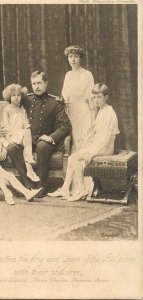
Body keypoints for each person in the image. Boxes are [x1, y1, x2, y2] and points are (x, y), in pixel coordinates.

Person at [48, 83, 120, 201]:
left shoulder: (109, 113)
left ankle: (82, 189)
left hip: (106, 148)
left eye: (99, 97)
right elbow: (96, 133)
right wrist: (86, 142)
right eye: (94, 97)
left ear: (106, 97)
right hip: (99, 145)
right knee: (74, 155)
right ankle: (65, 188)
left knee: (73, 158)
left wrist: (91, 153)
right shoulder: (102, 111)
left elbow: (105, 139)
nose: (96, 100)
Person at [6, 70, 71, 198]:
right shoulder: (25, 99)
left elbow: (66, 126)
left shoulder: (55, 102)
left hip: (45, 142)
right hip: (28, 140)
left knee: (42, 146)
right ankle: (27, 183)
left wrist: (51, 137)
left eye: (39, 83)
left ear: (46, 83)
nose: (37, 86)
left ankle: (42, 185)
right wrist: (5, 129)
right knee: (12, 148)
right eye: (34, 83)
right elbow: (10, 110)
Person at [0, 121, 42, 205]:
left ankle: (12, 195)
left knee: (1, 173)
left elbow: (9, 144)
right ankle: (24, 193)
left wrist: (4, 150)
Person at [61, 45, 96, 195]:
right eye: (70, 56)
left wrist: (93, 120)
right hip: (71, 114)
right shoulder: (68, 75)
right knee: (74, 147)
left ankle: (88, 186)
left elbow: (91, 99)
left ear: (80, 58)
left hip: (84, 114)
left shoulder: (87, 75)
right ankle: (73, 187)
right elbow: (65, 98)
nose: (73, 59)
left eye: (75, 56)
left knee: (84, 146)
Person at [2, 83, 39, 182]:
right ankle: (30, 167)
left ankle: (29, 170)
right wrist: (8, 138)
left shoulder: (22, 109)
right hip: (11, 135)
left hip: (21, 135)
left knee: (27, 131)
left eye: (18, 95)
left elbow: (25, 123)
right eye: (13, 95)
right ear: (9, 97)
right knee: (26, 132)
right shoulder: (7, 109)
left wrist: (27, 130)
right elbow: (6, 126)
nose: (16, 97)